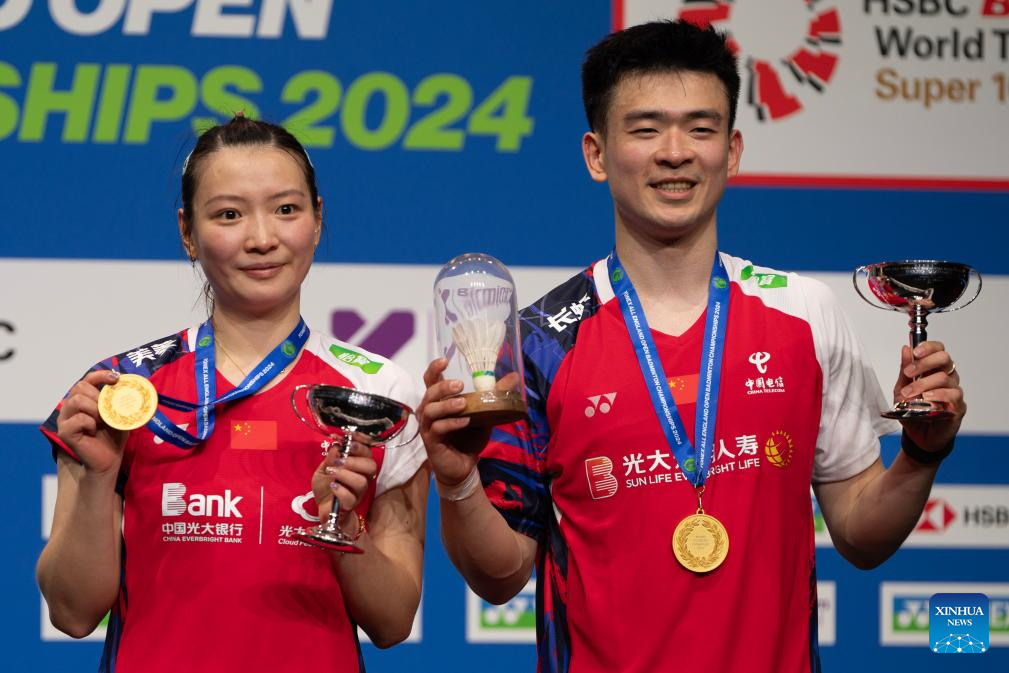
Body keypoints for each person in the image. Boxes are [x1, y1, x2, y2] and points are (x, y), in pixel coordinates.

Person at [418, 20, 965, 673]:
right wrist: (456, 482)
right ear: (596, 154)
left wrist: (920, 455)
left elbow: (860, 533)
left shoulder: (804, 314)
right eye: (645, 129)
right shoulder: (540, 343)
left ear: (731, 152)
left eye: (700, 129)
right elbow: (501, 573)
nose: (674, 153)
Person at [36, 116, 428, 673]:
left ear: (318, 220)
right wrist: (99, 479)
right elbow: (72, 613)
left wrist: (344, 529)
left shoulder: (379, 394)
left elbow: (393, 622)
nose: (261, 238)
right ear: (187, 233)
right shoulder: (118, 393)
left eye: (286, 209)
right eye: (228, 214)